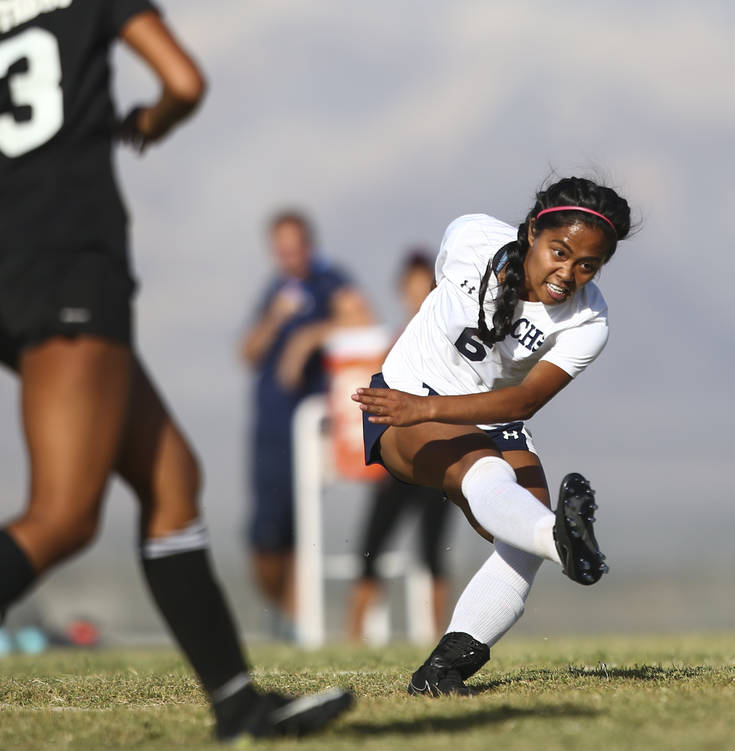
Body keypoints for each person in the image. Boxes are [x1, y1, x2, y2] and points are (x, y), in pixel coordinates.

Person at [0, 3, 350, 740]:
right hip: (69, 262)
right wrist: (146, 124)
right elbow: (184, 82)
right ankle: (239, 705)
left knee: (172, 483)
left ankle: (238, 706)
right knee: (63, 515)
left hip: (16, 264)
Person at [352, 176, 631, 694]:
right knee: (494, 478)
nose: (568, 273)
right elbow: (435, 299)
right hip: (404, 401)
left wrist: (434, 408)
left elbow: (523, 402)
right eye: (559, 252)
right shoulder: (471, 237)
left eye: (587, 265)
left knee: (521, 540)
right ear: (531, 232)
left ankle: (442, 672)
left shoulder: (590, 319)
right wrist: (419, 405)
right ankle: (563, 541)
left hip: (488, 416)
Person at [239, 210, 371, 622]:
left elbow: (363, 318)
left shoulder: (328, 280)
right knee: (264, 535)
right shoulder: (277, 290)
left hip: (308, 427)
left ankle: (302, 620)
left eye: (295, 247)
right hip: (269, 426)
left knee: (301, 529)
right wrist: (276, 319)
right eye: (281, 249)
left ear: (308, 245)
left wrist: (307, 337)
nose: (289, 256)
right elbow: (247, 353)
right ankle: (285, 616)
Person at [347, 251, 454, 643]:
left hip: (437, 459)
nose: (417, 296)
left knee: (432, 553)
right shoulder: (396, 340)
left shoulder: (447, 336)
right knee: (371, 550)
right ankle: (353, 638)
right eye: (410, 288)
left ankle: (442, 637)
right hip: (397, 462)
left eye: (423, 287)